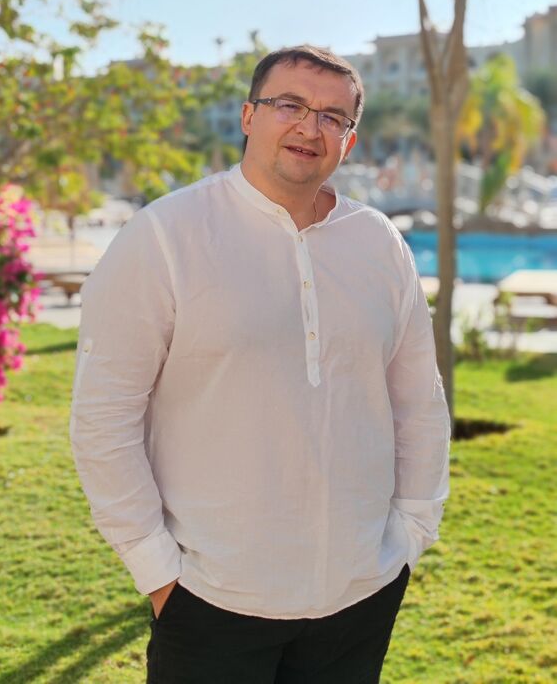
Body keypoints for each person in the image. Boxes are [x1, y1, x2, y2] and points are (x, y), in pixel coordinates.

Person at [70, 45, 450, 683]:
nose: (310, 127)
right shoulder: (163, 236)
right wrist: (156, 571)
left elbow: (418, 401)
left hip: (361, 593)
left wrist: (411, 531)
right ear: (249, 116)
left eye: (333, 117)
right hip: (211, 599)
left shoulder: (381, 244)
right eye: (289, 105)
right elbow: (104, 418)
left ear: (349, 142)